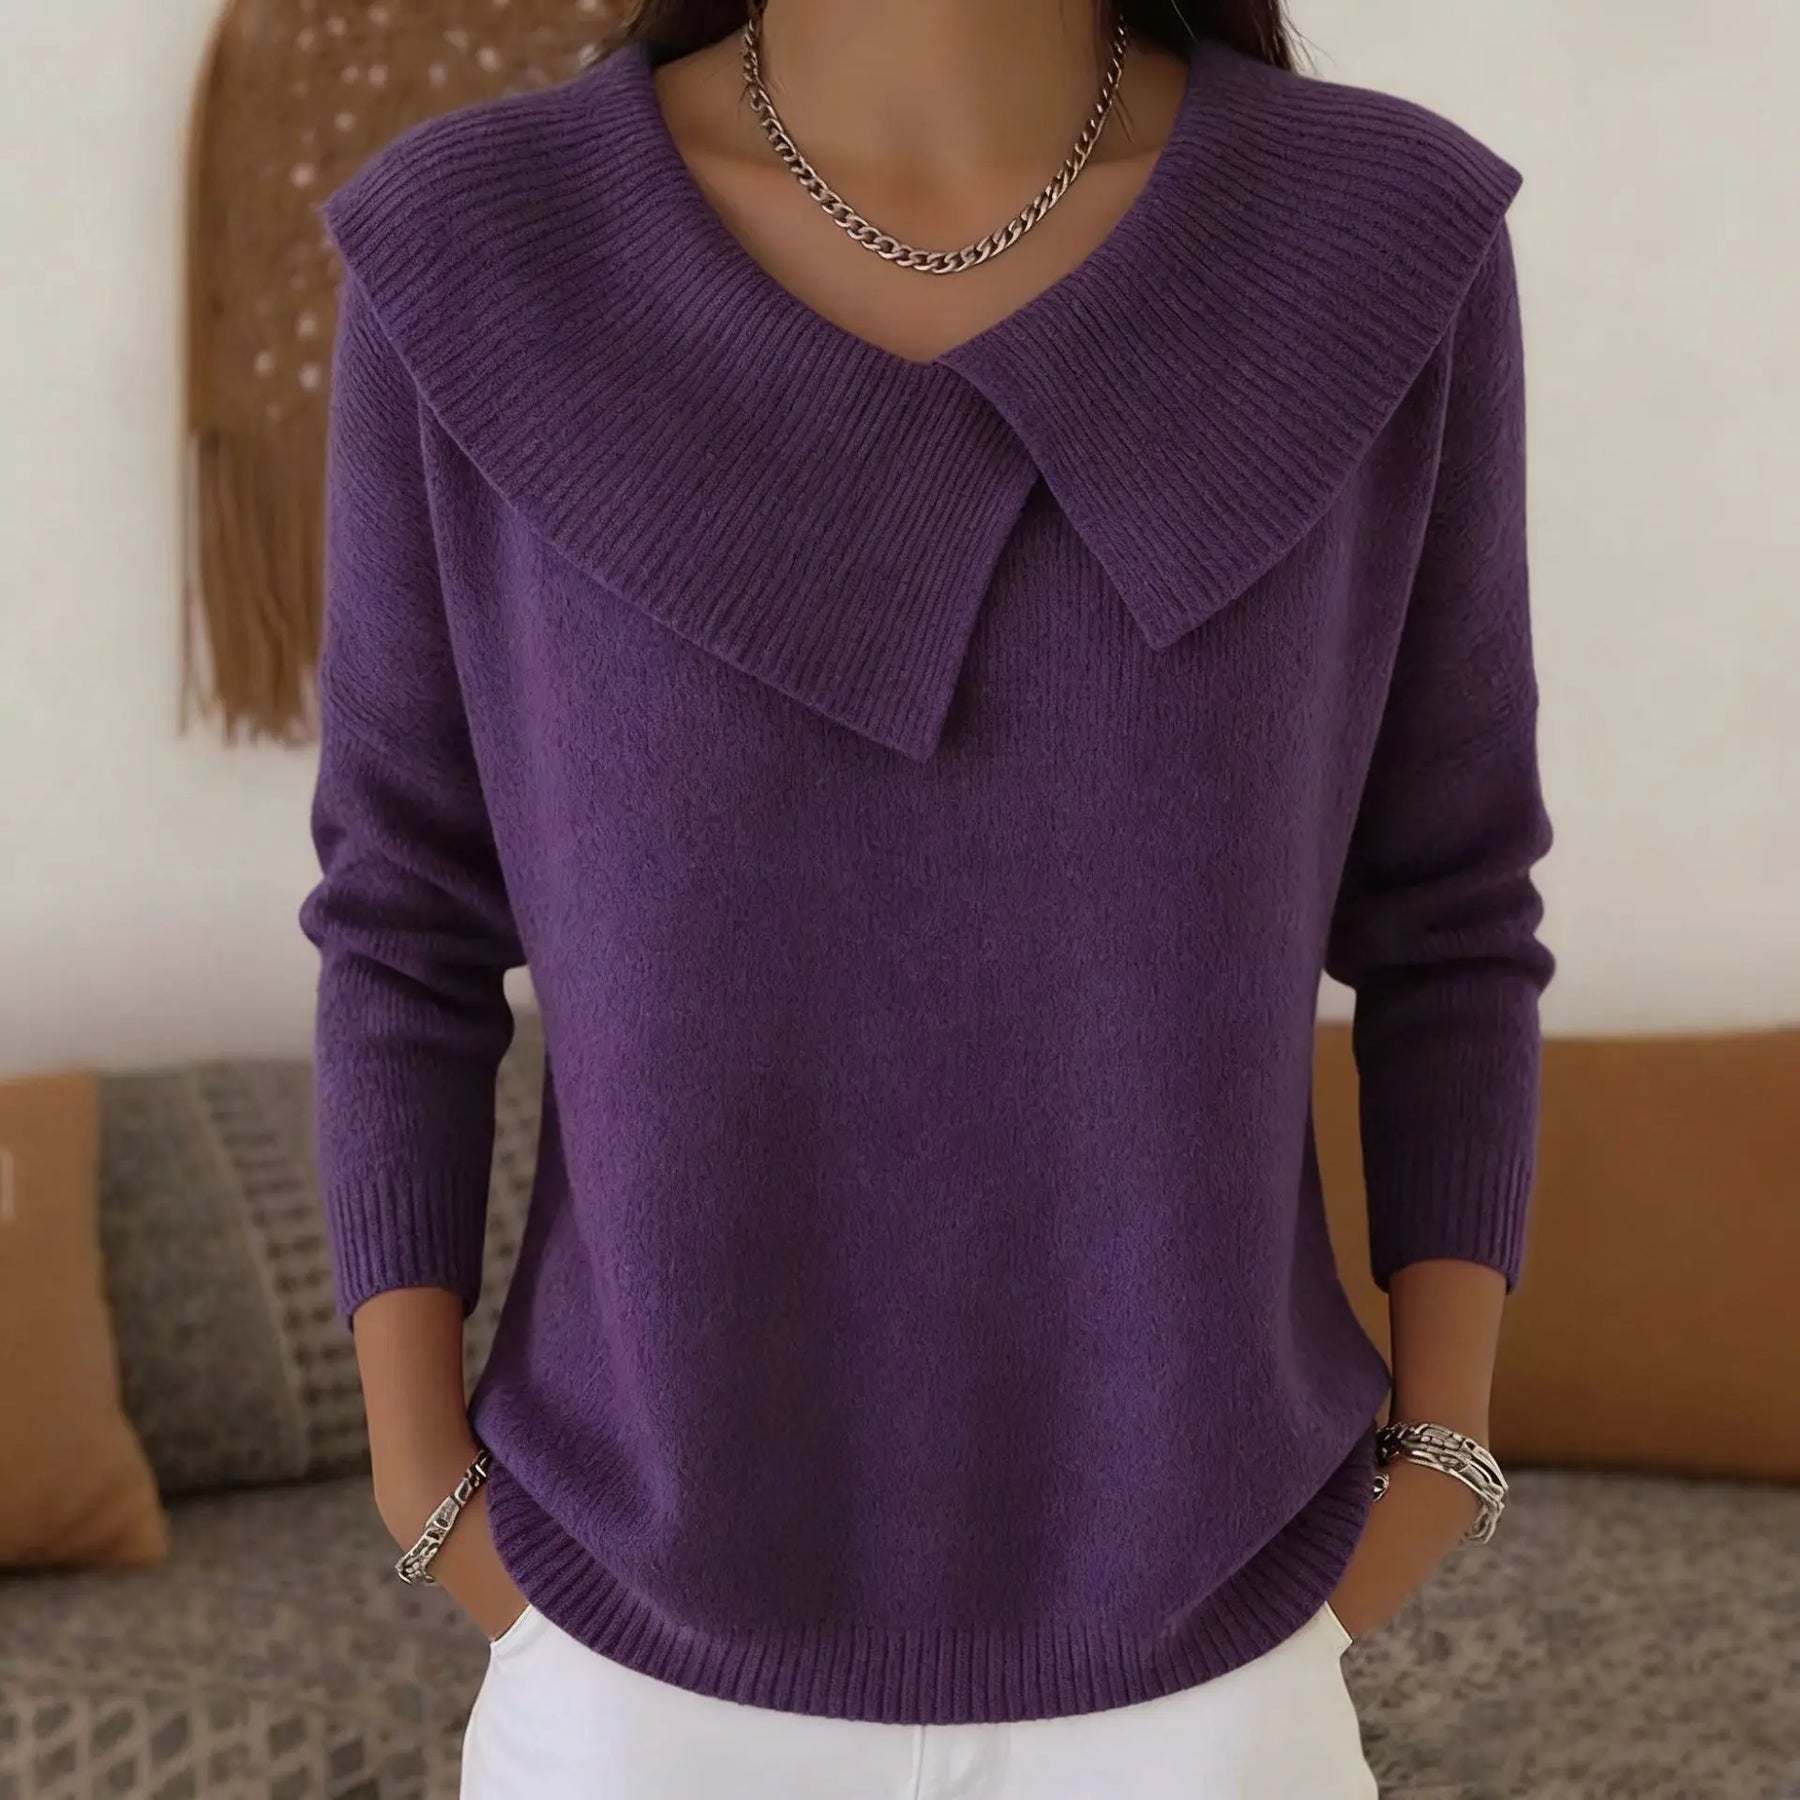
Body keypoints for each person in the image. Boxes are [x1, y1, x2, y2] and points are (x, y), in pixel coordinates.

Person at [298, 0, 1555, 1793]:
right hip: (631, 1677)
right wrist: (427, 1488)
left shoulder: (1374, 247)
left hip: (1214, 1676)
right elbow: (403, 921)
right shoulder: (482, 252)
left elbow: (1453, 910)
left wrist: (1440, 1457)